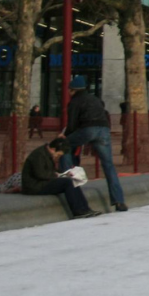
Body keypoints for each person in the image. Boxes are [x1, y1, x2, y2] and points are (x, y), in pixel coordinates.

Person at [61, 78, 127, 212]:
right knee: (108, 165)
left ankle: (68, 179)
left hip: (87, 129)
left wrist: (65, 136)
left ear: (73, 90)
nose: (68, 92)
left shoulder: (74, 102)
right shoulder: (96, 99)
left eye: (69, 90)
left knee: (64, 147)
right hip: (103, 130)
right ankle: (119, 201)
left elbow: (72, 125)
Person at [24, 138, 98, 218]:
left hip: (42, 182)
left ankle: (85, 208)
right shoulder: (39, 155)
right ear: (53, 149)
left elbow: (49, 170)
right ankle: (78, 211)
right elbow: (40, 174)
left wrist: (64, 173)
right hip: (34, 186)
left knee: (73, 181)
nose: (58, 157)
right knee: (67, 183)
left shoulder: (47, 154)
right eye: (58, 154)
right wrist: (56, 175)